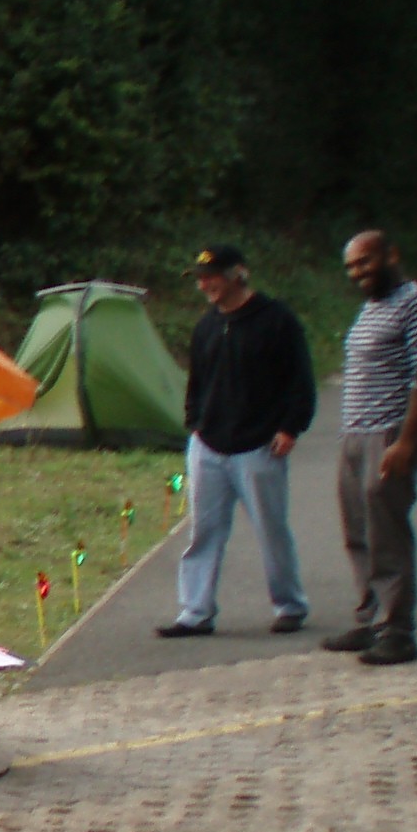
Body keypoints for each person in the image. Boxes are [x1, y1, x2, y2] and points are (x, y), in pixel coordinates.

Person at [157, 246, 316, 639]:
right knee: (203, 532)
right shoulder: (206, 326)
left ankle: (290, 605)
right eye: (199, 278)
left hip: (259, 446)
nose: (204, 285)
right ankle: (195, 612)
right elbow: (196, 380)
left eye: (211, 276)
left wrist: (290, 427)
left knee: (271, 529)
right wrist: (194, 422)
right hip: (209, 445)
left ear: (237, 275)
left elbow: (300, 379)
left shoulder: (276, 320)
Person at [324, 230, 417, 666]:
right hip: (355, 435)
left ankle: (397, 632)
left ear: (391, 254)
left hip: (390, 434)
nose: (359, 272)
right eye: (352, 267)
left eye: (366, 262)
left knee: (386, 533)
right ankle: (369, 619)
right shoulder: (371, 307)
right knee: (358, 530)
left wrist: (406, 441)